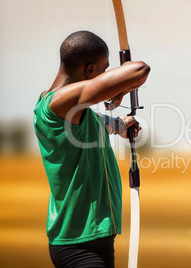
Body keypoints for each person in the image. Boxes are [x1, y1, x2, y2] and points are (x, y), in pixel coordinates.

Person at [33, 31, 150, 268]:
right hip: (79, 246)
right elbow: (139, 70)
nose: (106, 76)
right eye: (103, 70)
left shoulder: (77, 113)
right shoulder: (58, 102)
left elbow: (99, 124)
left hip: (92, 240)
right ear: (89, 71)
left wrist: (120, 125)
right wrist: (121, 87)